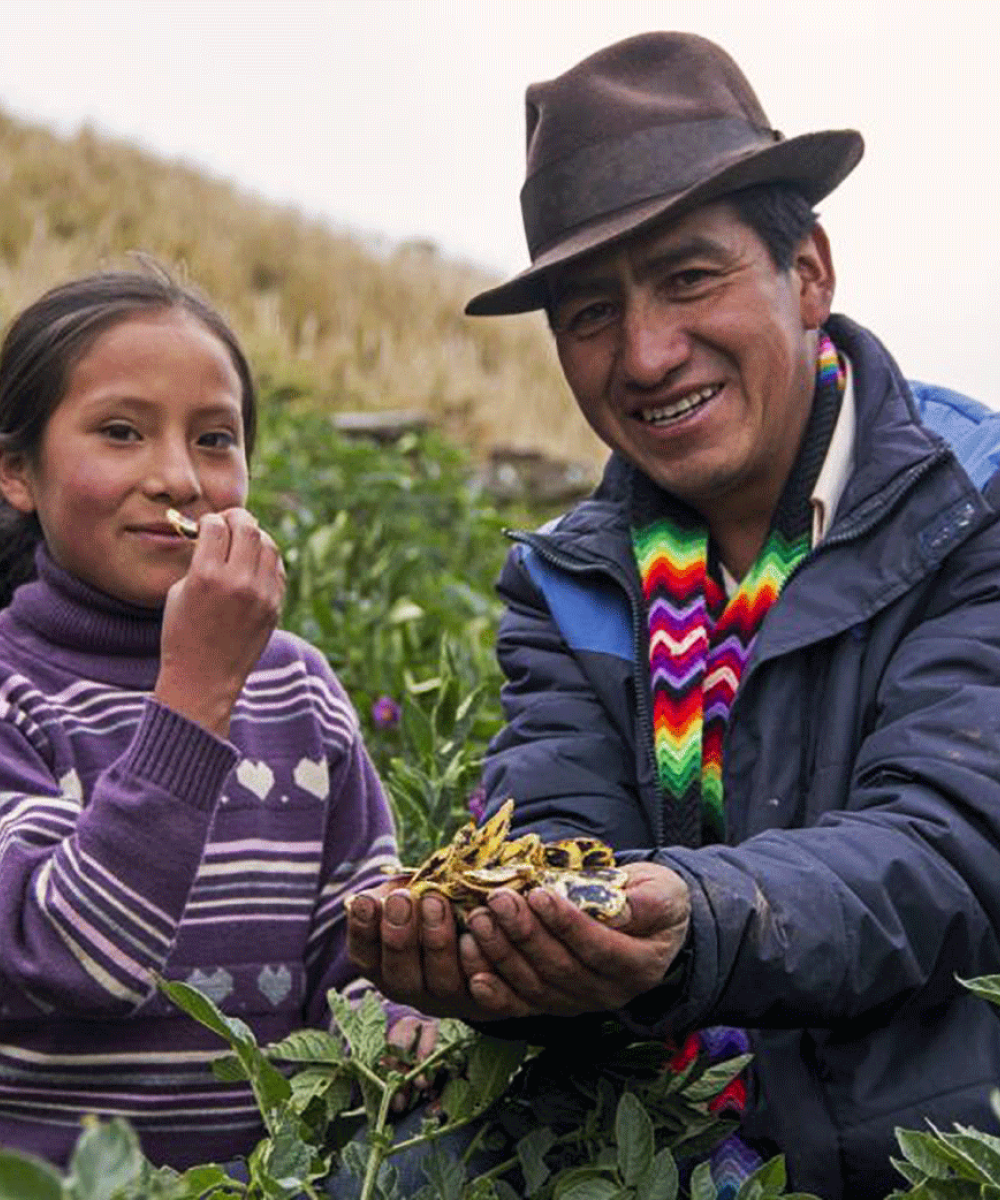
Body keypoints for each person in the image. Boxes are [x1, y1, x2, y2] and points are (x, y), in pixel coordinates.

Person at [346, 31, 1000, 1199]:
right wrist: (495, 957)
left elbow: (948, 847)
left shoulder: (972, 506)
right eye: (591, 313)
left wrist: (697, 916)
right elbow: (561, 839)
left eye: (691, 278)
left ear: (808, 273)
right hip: (663, 1128)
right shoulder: (570, 582)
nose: (645, 355)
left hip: (931, 1141)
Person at [0, 268, 434, 1172]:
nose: (178, 478)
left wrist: (395, 1025)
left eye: (214, 439)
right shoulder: (15, 694)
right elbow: (75, 959)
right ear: (16, 472)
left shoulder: (298, 688)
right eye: (121, 432)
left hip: (272, 1185)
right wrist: (198, 689)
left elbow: (353, 947)